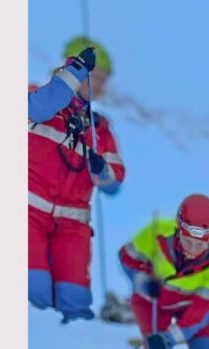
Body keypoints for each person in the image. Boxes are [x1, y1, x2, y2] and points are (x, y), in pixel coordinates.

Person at [28, 37, 126, 322]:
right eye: (92, 75)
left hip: (72, 228)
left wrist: (101, 170)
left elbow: (113, 185)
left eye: (102, 79)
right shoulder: (37, 99)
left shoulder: (100, 129)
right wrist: (75, 72)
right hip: (28, 215)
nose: (97, 84)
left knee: (76, 304)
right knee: (34, 293)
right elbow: (40, 108)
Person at [118, 194, 209, 349]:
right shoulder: (156, 233)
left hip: (190, 308)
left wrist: (171, 337)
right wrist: (143, 281)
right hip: (154, 303)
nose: (193, 251)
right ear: (178, 231)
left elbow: (200, 314)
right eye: (188, 242)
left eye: (200, 244)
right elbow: (126, 258)